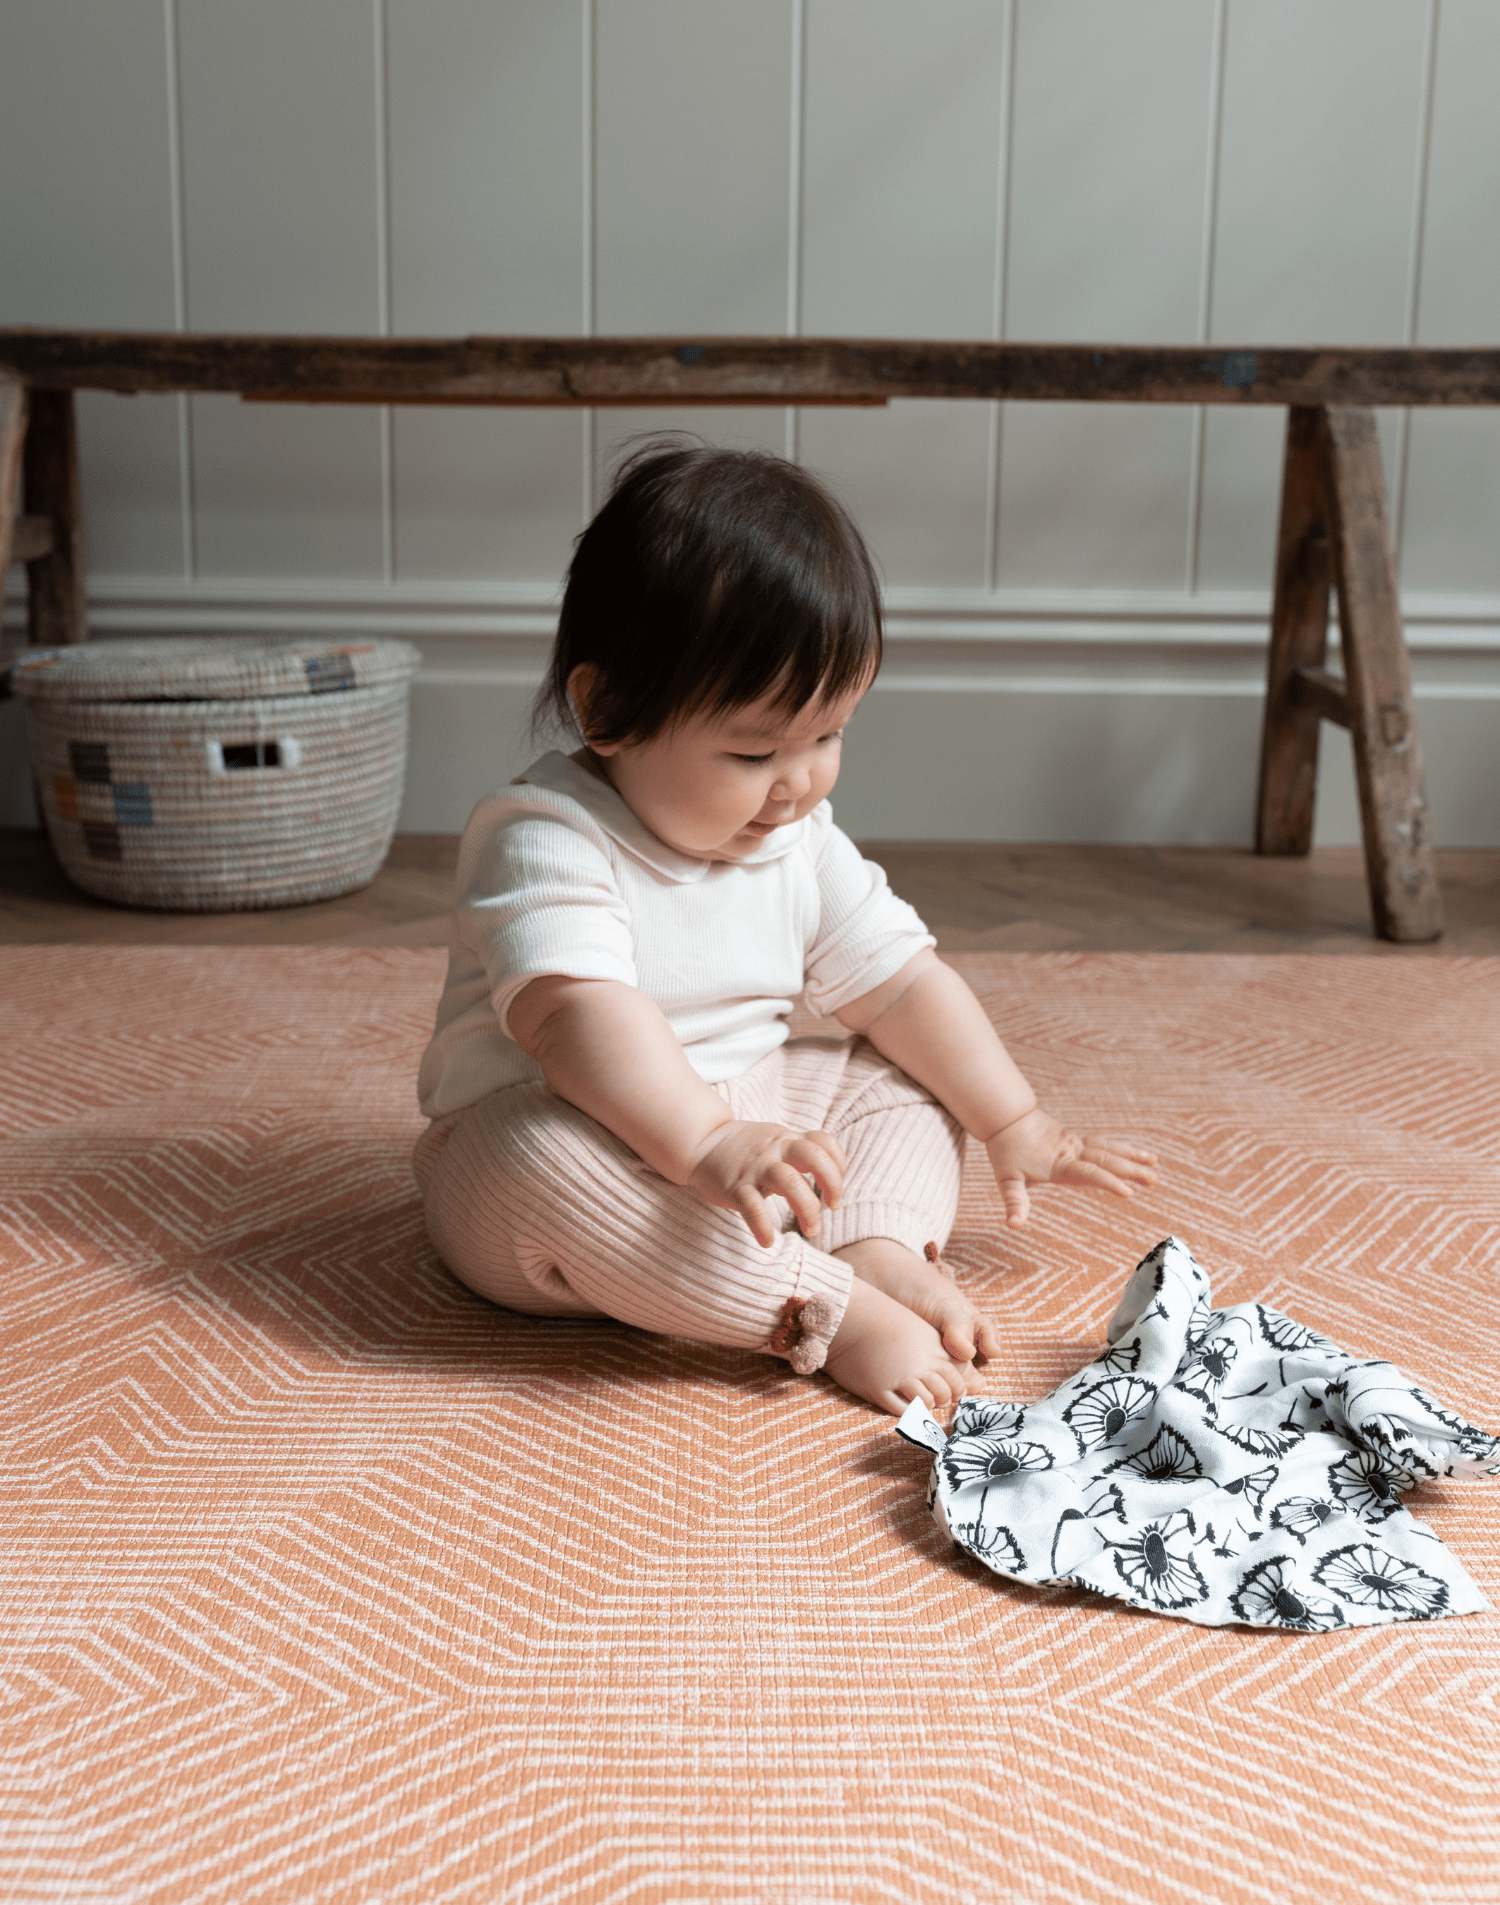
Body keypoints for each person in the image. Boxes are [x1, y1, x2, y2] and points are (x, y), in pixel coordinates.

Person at [413, 441, 1157, 1416]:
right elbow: (578, 1026)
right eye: (756, 748)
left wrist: (1011, 1118)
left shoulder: (795, 838)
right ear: (606, 711)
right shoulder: (545, 838)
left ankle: (871, 1244)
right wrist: (707, 1145)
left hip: (746, 1124)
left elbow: (902, 983)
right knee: (530, 1167)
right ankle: (819, 1307)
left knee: (903, 1080)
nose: (800, 780)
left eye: (830, 735)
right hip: (574, 1132)